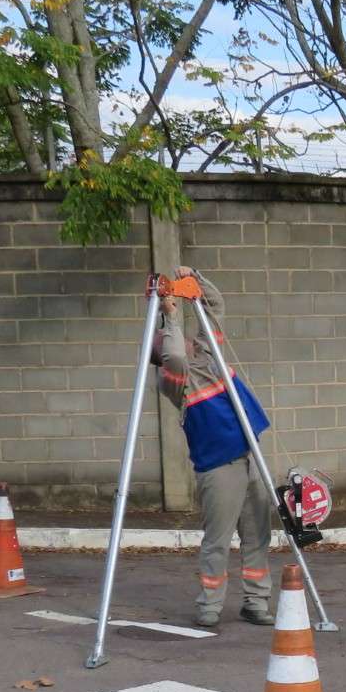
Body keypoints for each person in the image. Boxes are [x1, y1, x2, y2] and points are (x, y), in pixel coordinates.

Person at [152, 267, 276, 627]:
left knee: (257, 536)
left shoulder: (210, 358)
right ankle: (209, 606)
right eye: (174, 340)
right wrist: (170, 315)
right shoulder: (175, 380)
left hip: (249, 456)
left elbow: (214, 306)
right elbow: (174, 355)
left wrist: (195, 280)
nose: (187, 341)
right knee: (218, 541)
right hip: (219, 469)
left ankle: (256, 602)